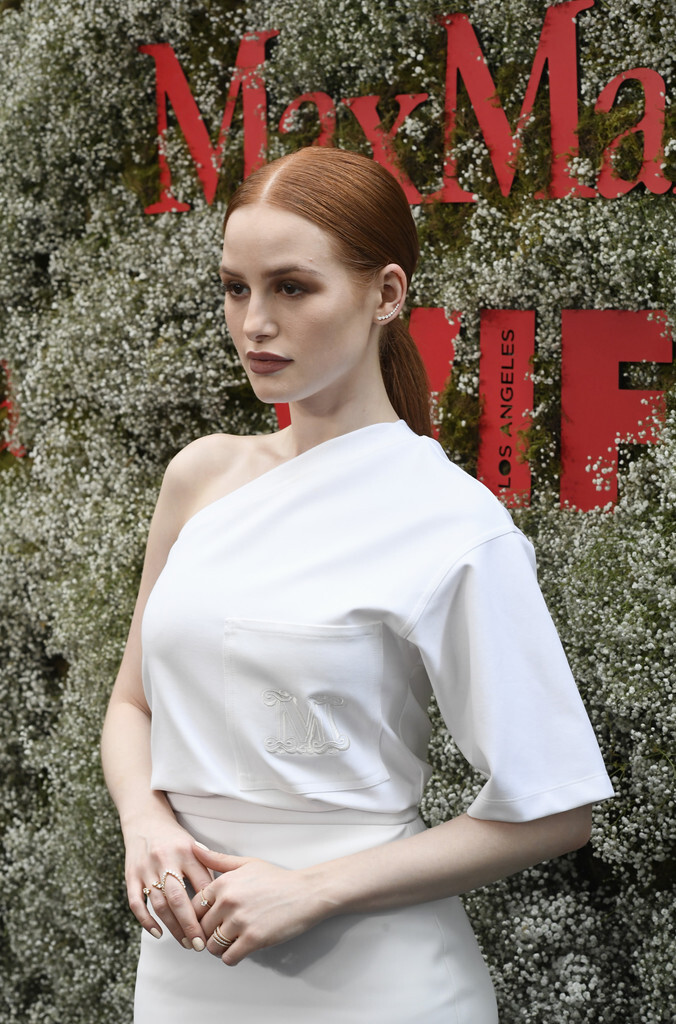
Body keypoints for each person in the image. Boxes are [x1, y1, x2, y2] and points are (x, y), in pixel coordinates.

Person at [101, 147, 614, 1023]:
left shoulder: (454, 522)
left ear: (385, 294)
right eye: (235, 288)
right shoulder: (201, 477)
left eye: (292, 288)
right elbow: (131, 705)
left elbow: (555, 808)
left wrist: (313, 888)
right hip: (184, 974)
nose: (255, 322)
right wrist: (145, 824)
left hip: (375, 981)